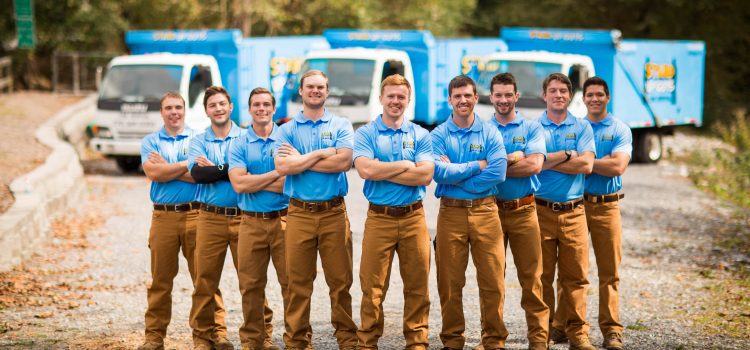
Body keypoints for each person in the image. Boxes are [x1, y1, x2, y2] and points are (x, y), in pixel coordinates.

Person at [273, 70, 358, 350]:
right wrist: (323, 152)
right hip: (298, 213)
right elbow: (284, 167)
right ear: (301, 90)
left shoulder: (341, 124)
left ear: (327, 90)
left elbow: (344, 162)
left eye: (320, 87)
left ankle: (346, 339)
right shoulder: (285, 129)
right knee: (297, 282)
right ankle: (297, 341)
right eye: (310, 87)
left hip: (334, 212)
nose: (315, 91)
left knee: (340, 281)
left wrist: (303, 158)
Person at [138, 92, 228, 350]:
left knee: (205, 278)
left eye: (178, 107)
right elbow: (154, 172)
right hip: (163, 217)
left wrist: (169, 168)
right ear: (162, 112)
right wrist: (184, 166)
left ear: (185, 110)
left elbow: (202, 176)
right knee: (160, 280)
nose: (174, 112)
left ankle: (214, 334)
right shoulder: (150, 141)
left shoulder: (199, 139)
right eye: (169, 108)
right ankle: (154, 337)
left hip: (197, 214)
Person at [352, 74, 435, 350]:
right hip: (379, 218)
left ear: (408, 100)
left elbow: (424, 176)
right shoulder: (366, 133)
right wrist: (404, 164)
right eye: (391, 96)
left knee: (417, 285)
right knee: (372, 287)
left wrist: (383, 169)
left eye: (401, 97)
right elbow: (365, 170)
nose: (396, 101)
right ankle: (367, 341)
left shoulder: (420, 135)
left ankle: (417, 341)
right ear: (381, 99)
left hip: (414, 218)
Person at [188, 86, 273, 350]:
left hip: (245, 217)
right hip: (210, 217)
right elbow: (198, 175)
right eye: (212, 105)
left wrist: (218, 168)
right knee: (205, 280)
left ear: (231, 106)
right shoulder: (198, 140)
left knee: (252, 281)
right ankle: (207, 337)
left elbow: (245, 174)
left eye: (222, 104)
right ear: (206, 111)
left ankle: (262, 337)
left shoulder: (246, 137)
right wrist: (233, 169)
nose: (218, 109)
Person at [550, 77, 631, 350]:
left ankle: (611, 331)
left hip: (607, 206)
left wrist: (582, 162)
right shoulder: (577, 127)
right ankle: (562, 327)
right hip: (577, 205)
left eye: (600, 94)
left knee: (609, 271)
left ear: (608, 97)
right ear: (582, 99)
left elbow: (618, 166)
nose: (594, 99)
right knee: (571, 270)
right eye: (590, 95)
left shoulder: (619, 128)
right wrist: (593, 163)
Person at [431, 75, 508, 350]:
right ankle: (452, 340)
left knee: (492, 279)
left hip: (486, 212)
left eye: (468, 95)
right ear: (449, 100)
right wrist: (477, 165)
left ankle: (494, 339)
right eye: (457, 96)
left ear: (476, 98)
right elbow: (437, 171)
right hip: (450, 214)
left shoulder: (490, 132)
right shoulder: (439, 134)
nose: (463, 100)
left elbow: (498, 171)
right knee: (449, 281)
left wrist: (458, 175)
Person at [482, 73, 549, 350]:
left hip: (524, 211)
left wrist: (493, 165)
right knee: (492, 279)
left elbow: (534, 166)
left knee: (532, 278)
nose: (503, 99)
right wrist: (512, 159)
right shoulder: (483, 129)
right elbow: (477, 168)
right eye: (498, 94)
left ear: (517, 96)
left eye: (508, 94)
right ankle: (493, 339)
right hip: (490, 212)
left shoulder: (532, 128)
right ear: (490, 97)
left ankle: (538, 339)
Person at [534, 73, 596, 350]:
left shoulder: (582, 127)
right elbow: (533, 164)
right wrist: (568, 154)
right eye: (553, 91)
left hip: (574, 212)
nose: (558, 95)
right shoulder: (534, 127)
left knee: (576, 276)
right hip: (539, 210)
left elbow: (586, 166)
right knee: (542, 276)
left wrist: (549, 161)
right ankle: (543, 332)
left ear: (570, 96)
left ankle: (577, 333)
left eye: (563, 91)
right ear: (544, 96)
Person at [229, 87, 290, 350]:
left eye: (266, 104)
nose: (262, 108)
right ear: (250, 109)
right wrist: (275, 175)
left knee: (292, 283)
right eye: (256, 104)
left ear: (274, 109)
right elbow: (239, 185)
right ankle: (255, 341)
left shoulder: (287, 139)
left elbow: (290, 184)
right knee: (250, 285)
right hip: (251, 221)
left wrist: (255, 181)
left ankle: (296, 340)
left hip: (285, 220)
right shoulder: (239, 143)